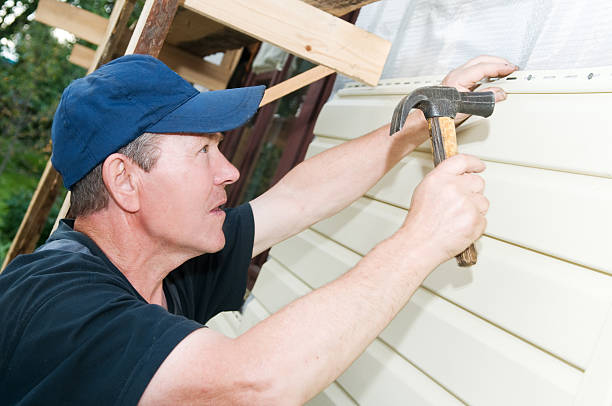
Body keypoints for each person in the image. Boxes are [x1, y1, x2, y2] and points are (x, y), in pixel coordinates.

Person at [0, 54, 516, 405]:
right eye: (203, 151)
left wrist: (416, 124)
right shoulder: (53, 300)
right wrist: (420, 240)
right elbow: (250, 385)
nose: (229, 171)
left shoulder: (162, 265)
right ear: (124, 182)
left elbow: (296, 199)